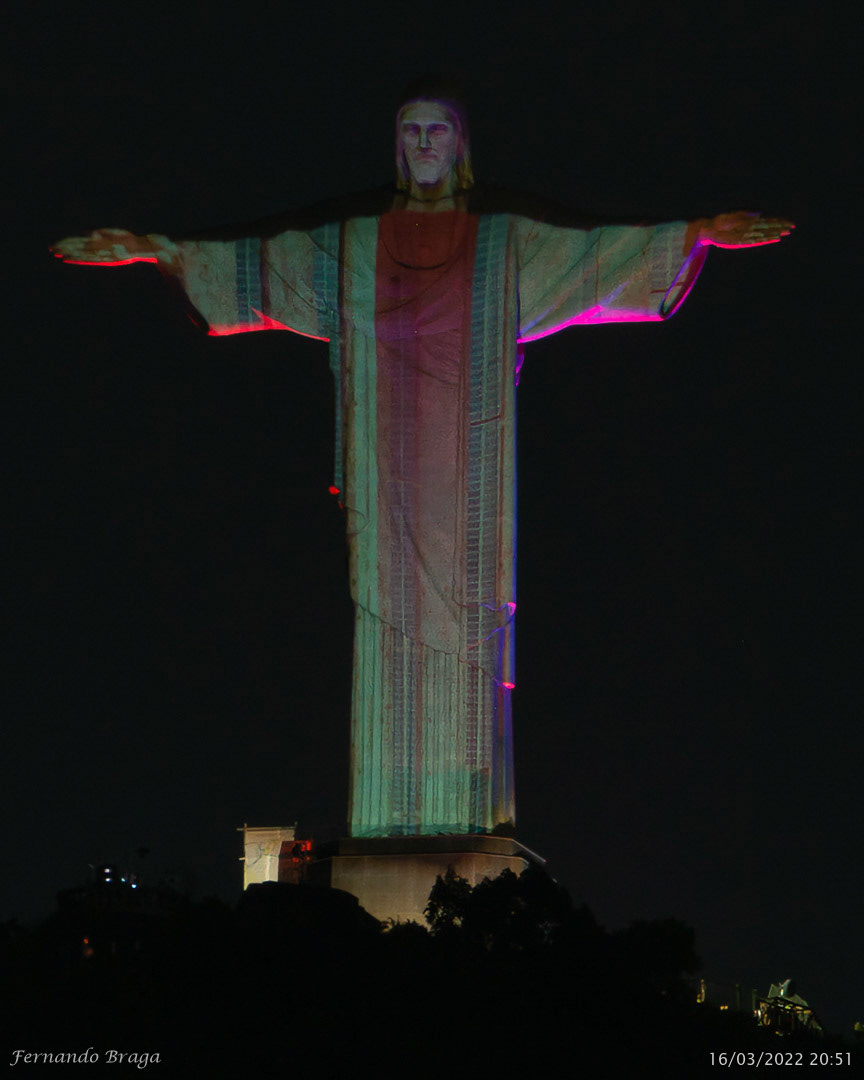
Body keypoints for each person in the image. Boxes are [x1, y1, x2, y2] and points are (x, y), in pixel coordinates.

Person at [53, 84, 794, 840]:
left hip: (469, 480)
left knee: (471, 634)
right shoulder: (354, 246)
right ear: (397, 146)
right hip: (387, 477)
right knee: (385, 625)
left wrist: (695, 235)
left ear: (461, 146)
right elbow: (262, 267)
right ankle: (389, 818)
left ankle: (467, 820)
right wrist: (157, 250)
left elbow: (597, 257)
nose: (425, 143)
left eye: (439, 130)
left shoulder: (503, 244)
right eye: (411, 131)